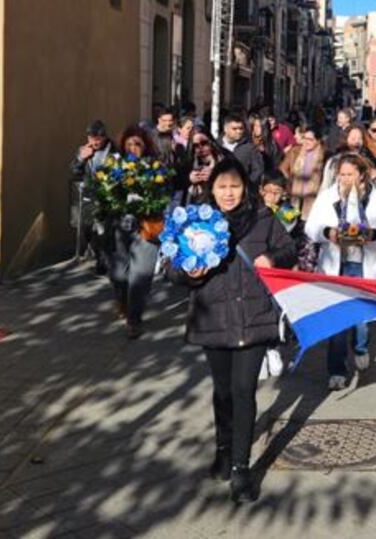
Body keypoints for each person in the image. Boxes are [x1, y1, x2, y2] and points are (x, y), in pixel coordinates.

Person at [172, 156, 297, 503]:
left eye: (235, 186)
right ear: (212, 188)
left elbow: (289, 248)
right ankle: (223, 449)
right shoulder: (198, 221)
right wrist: (188, 273)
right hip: (213, 317)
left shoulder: (262, 219)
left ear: (246, 188)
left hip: (254, 316)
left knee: (244, 390)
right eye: (222, 187)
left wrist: (272, 260)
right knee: (223, 391)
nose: (229, 194)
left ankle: (241, 468)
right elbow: (172, 269)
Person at [305, 153, 376, 389]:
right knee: (337, 321)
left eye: (349, 174)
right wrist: (328, 233)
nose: (345, 179)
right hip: (336, 265)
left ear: (361, 174)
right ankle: (336, 370)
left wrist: (373, 234)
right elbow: (311, 227)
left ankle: (360, 346)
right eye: (342, 174)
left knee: (361, 319)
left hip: (364, 266)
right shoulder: (328, 197)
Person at [105, 125, 165, 339]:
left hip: (146, 227)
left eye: (137, 144)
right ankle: (122, 299)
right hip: (121, 226)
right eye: (129, 144)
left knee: (140, 276)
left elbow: (165, 193)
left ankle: (134, 319)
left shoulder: (155, 167)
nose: (133, 148)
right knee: (119, 275)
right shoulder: (114, 167)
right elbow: (104, 194)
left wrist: (150, 198)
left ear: (145, 146)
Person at [70, 119, 113, 268]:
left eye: (97, 139)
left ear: (104, 137)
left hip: (108, 195)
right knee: (88, 228)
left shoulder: (113, 150)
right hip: (89, 194)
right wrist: (81, 158)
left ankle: (103, 260)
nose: (94, 142)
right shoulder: (84, 150)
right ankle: (94, 251)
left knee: (104, 229)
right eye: (91, 139)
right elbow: (74, 171)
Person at [279, 124, 325, 217]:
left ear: (318, 140)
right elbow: (282, 168)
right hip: (294, 197)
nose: (306, 142)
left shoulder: (324, 156)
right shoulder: (295, 151)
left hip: (314, 200)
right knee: (289, 223)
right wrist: (290, 181)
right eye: (305, 138)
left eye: (310, 139)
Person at [321, 124, 376, 191]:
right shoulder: (334, 161)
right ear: (345, 140)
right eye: (353, 138)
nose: (357, 141)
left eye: (359, 138)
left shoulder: (366, 161)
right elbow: (325, 186)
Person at [218, 113, 264, 187]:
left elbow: (258, 170)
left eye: (241, 128)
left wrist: (247, 185)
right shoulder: (217, 146)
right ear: (225, 129)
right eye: (234, 129)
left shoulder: (250, 148)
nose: (239, 131)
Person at [183, 127, 223, 204]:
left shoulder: (223, 157)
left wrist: (214, 175)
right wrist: (190, 178)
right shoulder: (189, 160)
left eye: (204, 143)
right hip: (194, 203)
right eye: (196, 145)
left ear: (211, 142)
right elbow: (178, 182)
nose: (201, 148)